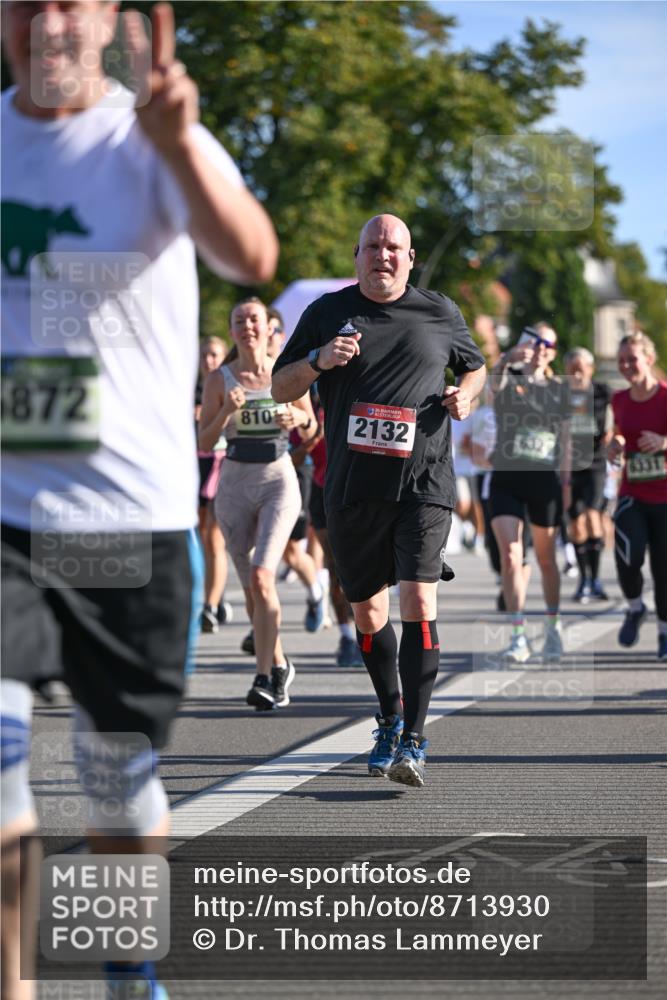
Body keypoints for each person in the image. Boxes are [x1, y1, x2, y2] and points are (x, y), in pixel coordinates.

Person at [0, 4, 278, 999]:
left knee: (115, 779)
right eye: (25, 1)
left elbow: (251, 256)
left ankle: (127, 960)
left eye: (69, 1)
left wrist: (180, 144)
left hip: (129, 520)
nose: (47, 21)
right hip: (7, 515)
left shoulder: (151, 135)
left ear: (108, 19)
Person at [272, 213, 486, 788]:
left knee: (418, 597)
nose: (383, 255)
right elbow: (279, 385)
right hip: (352, 487)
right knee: (367, 613)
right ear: (357, 254)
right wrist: (319, 360)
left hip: (424, 482)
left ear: (410, 258)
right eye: (373, 246)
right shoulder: (327, 313)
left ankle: (414, 738)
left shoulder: (440, 311)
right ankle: (390, 716)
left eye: (394, 247)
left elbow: (476, 366)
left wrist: (464, 395)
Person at [198, 297, 316, 710]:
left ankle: (264, 677)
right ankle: (279, 663)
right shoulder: (220, 379)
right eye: (239, 321)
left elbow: (312, 425)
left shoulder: (286, 370)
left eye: (254, 319)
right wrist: (225, 413)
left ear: (269, 327)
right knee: (252, 588)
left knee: (264, 576)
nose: (247, 326)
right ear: (232, 331)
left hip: (277, 480)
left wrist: (298, 419)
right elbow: (203, 441)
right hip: (234, 484)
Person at [488, 323, 571, 664]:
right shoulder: (509, 377)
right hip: (506, 477)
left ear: (553, 352)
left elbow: (567, 440)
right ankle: (518, 636)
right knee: (510, 556)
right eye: (535, 341)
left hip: (543, 482)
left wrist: (566, 484)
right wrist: (505, 359)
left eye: (547, 344)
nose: (539, 348)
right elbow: (491, 387)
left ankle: (553, 626)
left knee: (546, 560)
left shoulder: (559, 389)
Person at [608, 332, 667, 659]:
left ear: (649, 359)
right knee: (627, 554)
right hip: (632, 493)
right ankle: (635, 607)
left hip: (665, 497)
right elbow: (617, 434)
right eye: (622, 361)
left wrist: (664, 442)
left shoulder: (665, 396)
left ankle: (664, 632)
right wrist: (614, 445)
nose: (627, 365)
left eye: (632, 358)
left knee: (663, 569)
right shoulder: (619, 399)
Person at [564, 347, 612, 603]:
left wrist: (614, 436)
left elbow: (617, 418)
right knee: (576, 523)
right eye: (572, 370)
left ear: (591, 369)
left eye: (581, 369)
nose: (577, 374)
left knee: (594, 517)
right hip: (570, 465)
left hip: (596, 462)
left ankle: (596, 579)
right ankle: (584, 579)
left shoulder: (603, 391)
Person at [195, 336, 233, 633]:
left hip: (221, 463)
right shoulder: (189, 390)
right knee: (200, 537)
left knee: (215, 538)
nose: (209, 360)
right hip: (193, 466)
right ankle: (214, 598)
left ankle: (209, 606)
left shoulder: (229, 385)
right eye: (205, 355)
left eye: (215, 355)